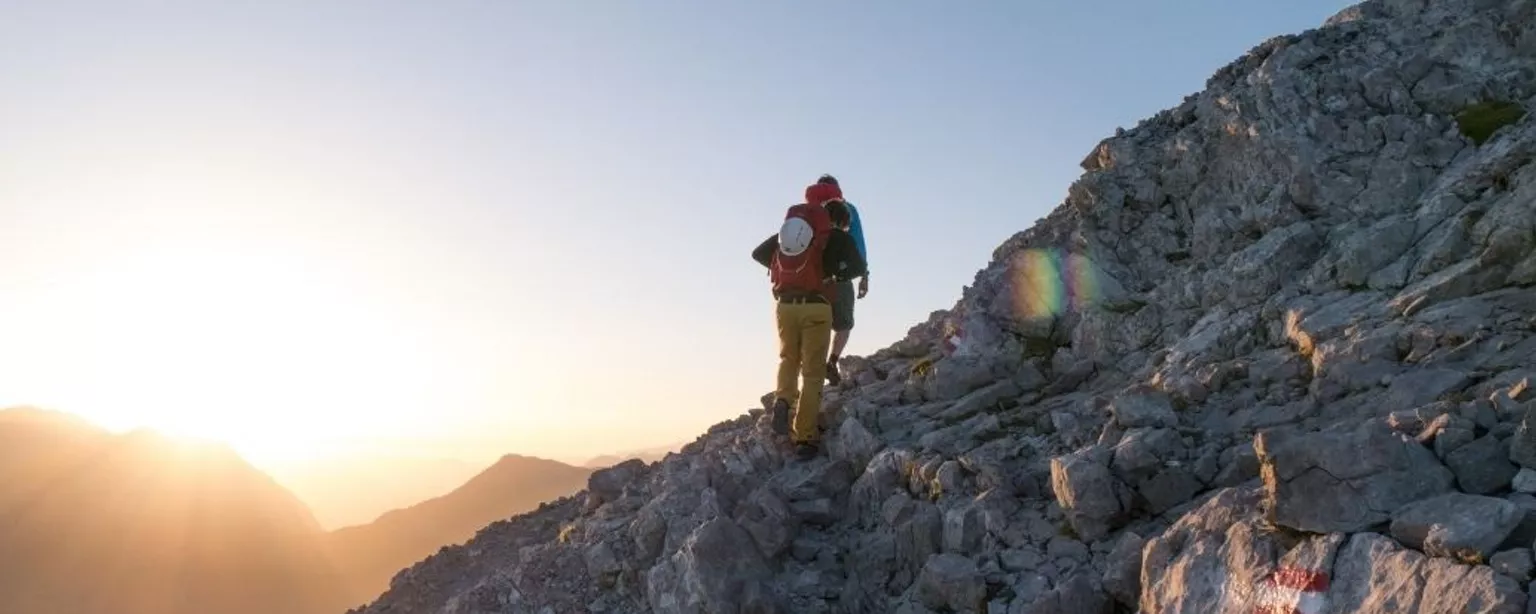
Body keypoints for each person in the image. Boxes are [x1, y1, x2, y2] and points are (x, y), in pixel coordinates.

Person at [751, 187, 867, 460]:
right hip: (816, 307)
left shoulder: (798, 233)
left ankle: (783, 400)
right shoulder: (837, 237)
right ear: (842, 221)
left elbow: (758, 254)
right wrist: (833, 275)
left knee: (788, 359)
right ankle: (805, 437)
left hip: (784, 307)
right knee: (813, 373)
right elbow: (858, 268)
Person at [813, 174, 868, 386]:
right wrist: (864, 274)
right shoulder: (848, 209)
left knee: (819, 323)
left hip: (815, 277)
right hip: (842, 275)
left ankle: (815, 370)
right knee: (844, 324)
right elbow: (858, 241)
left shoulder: (812, 212)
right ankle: (832, 361)